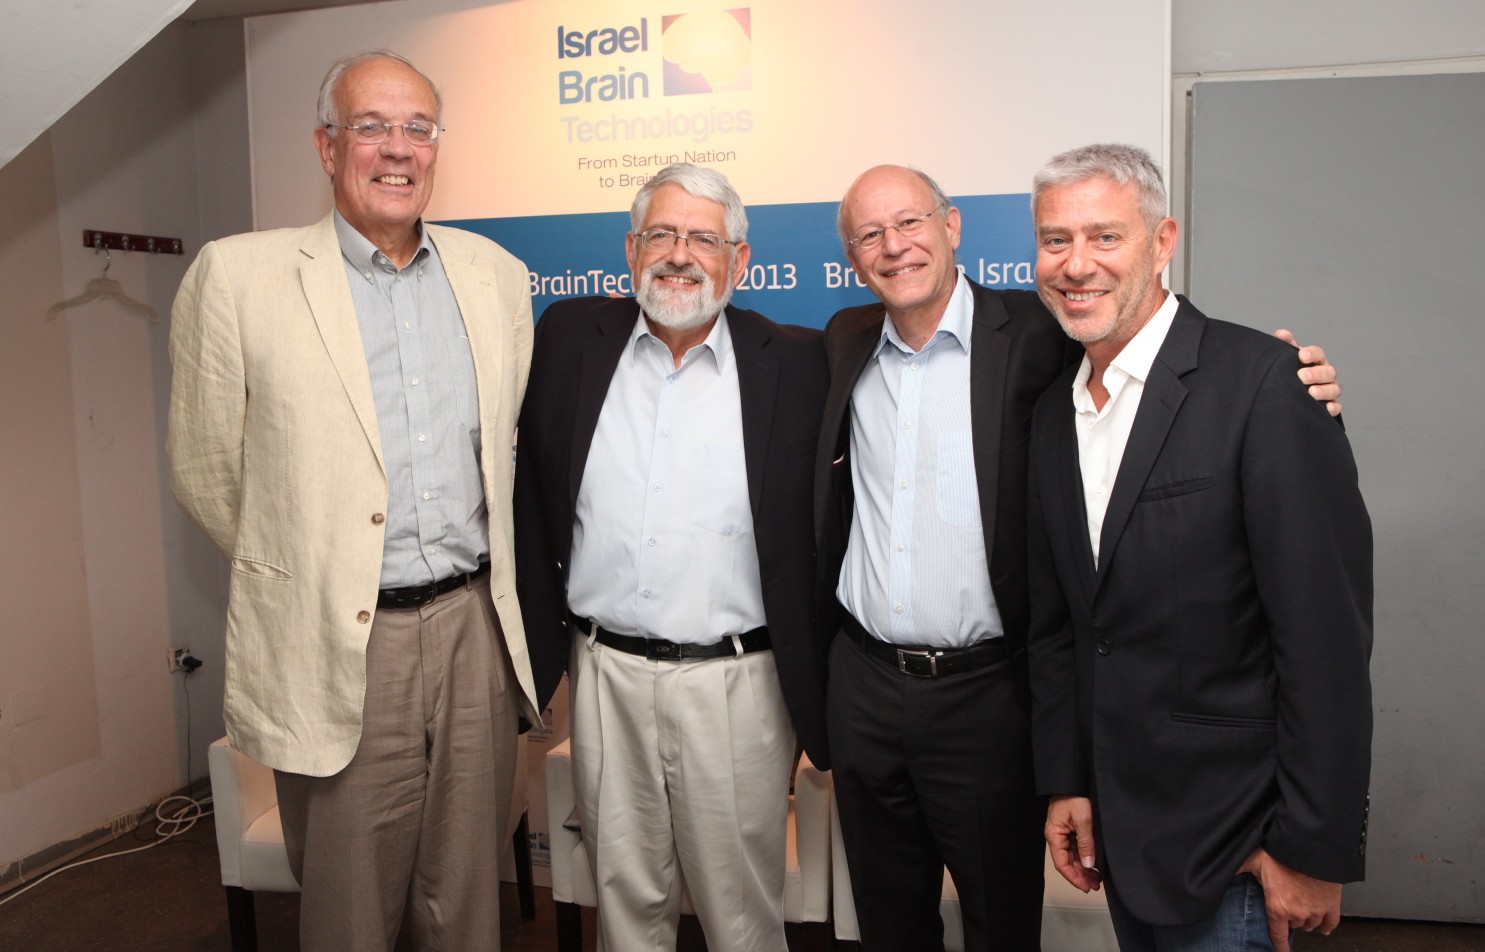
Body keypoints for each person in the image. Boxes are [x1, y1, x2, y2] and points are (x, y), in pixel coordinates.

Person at [814, 164, 1344, 951]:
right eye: (869, 234)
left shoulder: (1043, 333)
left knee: (1000, 920)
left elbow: (1321, 635)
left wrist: (1298, 384)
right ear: (851, 255)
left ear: (952, 226)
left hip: (997, 700)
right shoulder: (842, 341)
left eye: (911, 223)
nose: (894, 247)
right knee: (888, 918)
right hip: (867, 687)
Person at [168, 50, 538, 951]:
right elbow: (208, 471)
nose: (397, 149)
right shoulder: (239, 276)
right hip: (339, 643)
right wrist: (310, 569)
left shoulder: (495, 275)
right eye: (371, 126)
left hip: (472, 635)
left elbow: (508, 451)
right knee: (348, 911)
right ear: (326, 146)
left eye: (418, 128)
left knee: (467, 903)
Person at [1025, 143, 1372, 952]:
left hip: (1239, 846)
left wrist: (1310, 848)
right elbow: (1065, 627)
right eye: (1054, 240)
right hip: (1123, 832)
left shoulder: (1262, 384)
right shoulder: (1050, 414)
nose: (1076, 264)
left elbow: (1323, 640)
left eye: (1104, 237)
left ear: (1162, 240)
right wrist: (1067, 783)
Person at [514, 163, 828, 952]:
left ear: (740, 260)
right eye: (661, 234)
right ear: (630, 248)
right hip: (603, 677)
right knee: (622, 899)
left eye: (702, 238)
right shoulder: (566, 338)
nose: (679, 255)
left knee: (740, 911)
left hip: (736, 686)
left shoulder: (797, 361)